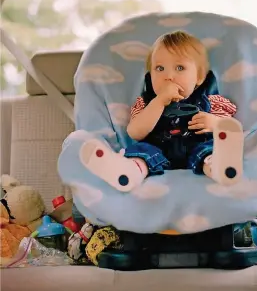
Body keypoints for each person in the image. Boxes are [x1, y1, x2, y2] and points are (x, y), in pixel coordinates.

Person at [81, 31, 244, 192]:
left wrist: (214, 123)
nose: (169, 76)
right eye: (159, 68)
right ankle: (127, 172)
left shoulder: (211, 102)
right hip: (157, 154)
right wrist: (159, 102)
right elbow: (134, 133)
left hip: (198, 150)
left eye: (180, 67)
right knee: (141, 151)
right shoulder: (146, 103)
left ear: (199, 77)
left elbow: (230, 127)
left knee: (211, 148)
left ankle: (220, 167)